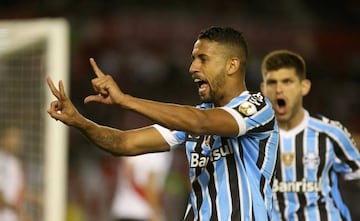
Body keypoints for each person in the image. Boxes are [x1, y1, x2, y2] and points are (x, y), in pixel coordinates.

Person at [47, 26, 279, 220]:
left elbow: (200, 122)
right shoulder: (195, 118)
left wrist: (126, 101)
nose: (193, 68)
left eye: (203, 59)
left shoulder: (257, 107)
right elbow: (124, 143)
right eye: (193, 59)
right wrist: (79, 121)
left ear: (232, 65)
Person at [260, 49, 360, 221]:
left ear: (304, 87)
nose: (279, 90)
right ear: (263, 89)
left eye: (287, 82)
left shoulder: (330, 133)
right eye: (272, 82)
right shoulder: (254, 138)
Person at [110, 152, 173, 221]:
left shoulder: (132, 144)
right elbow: (151, 188)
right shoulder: (159, 152)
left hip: (122, 211)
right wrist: (156, 213)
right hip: (142, 213)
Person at [0, 126, 25, 221]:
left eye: (18, 137)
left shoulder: (15, 163)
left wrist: (36, 198)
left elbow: (16, 190)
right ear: (3, 138)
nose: (16, 141)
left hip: (12, 217)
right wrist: (18, 209)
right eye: (13, 136)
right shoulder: (1, 161)